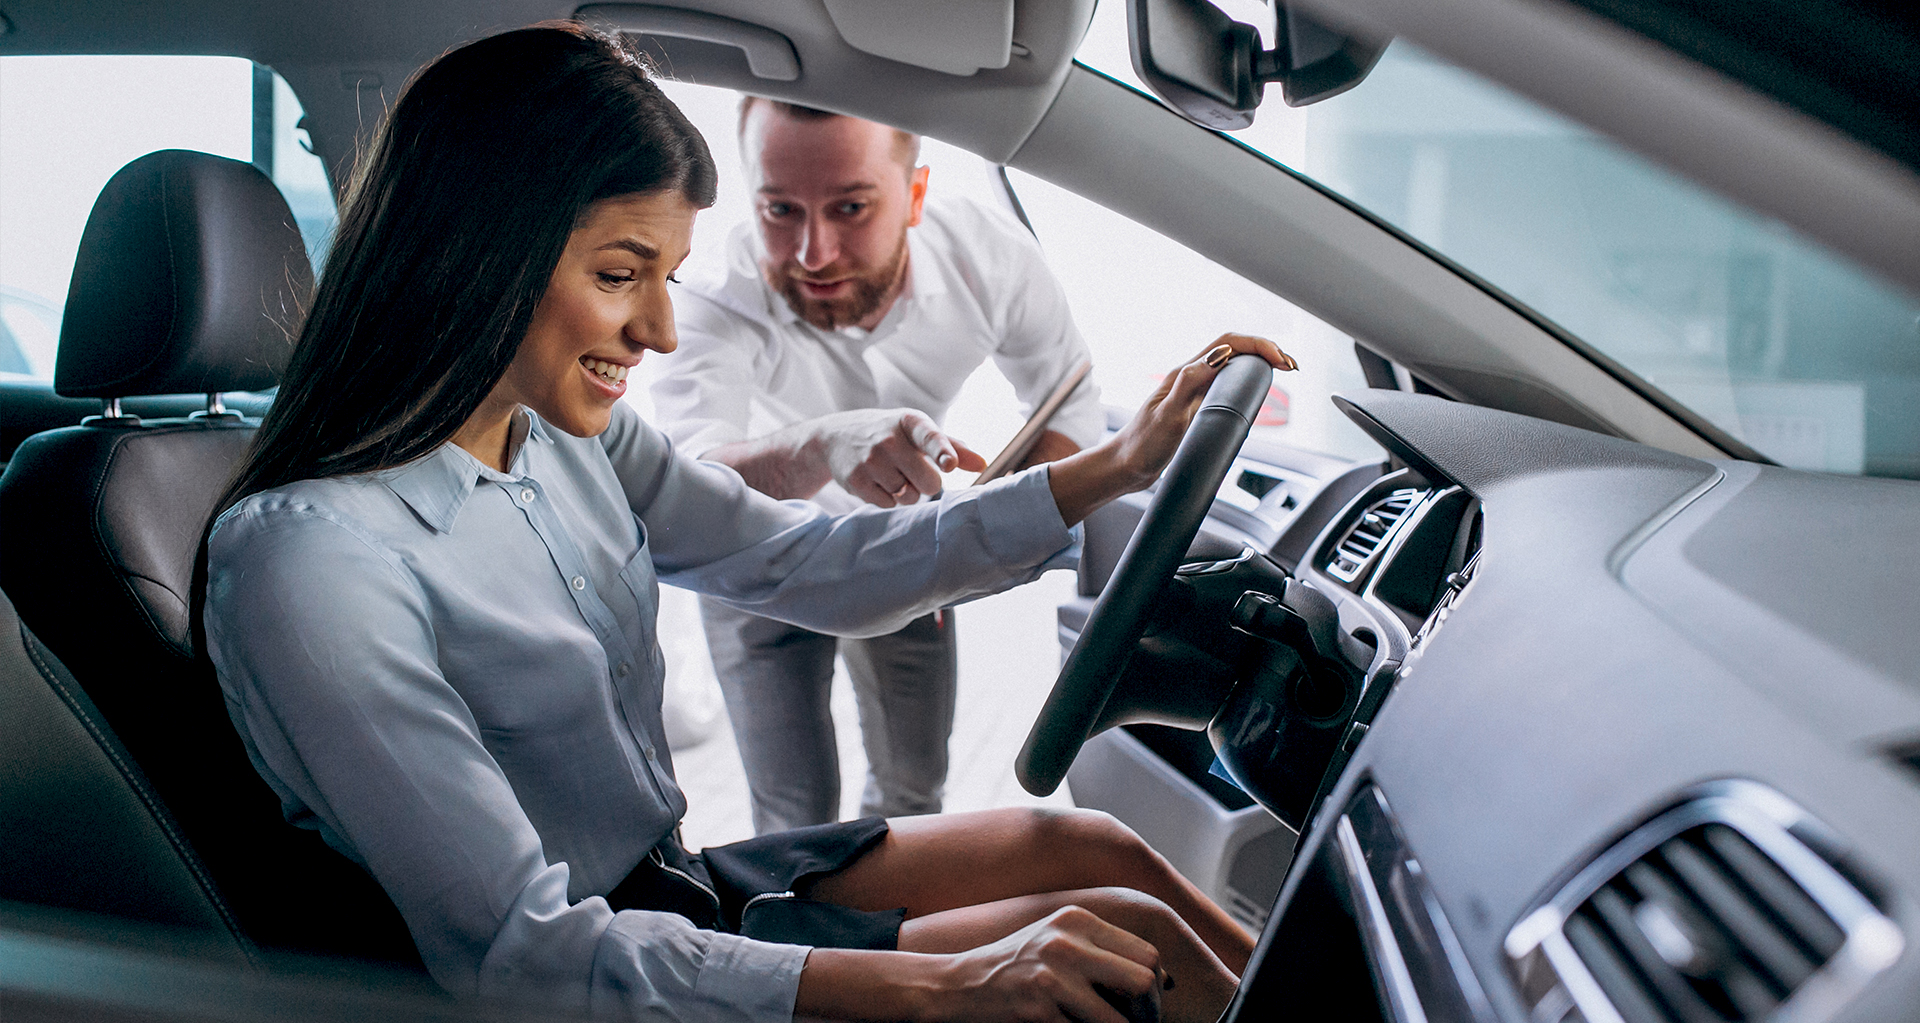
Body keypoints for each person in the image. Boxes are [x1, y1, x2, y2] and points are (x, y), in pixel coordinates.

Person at [200, 23, 1294, 1023]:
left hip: (675, 888)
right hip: (591, 969)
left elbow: (809, 560)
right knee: (1125, 945)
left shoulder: (567, 440)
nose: (662, 329)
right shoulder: (313, 563)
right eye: (621, 274)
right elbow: (524, 957)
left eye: (668, 277)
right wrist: (955, 983)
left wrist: (1117, 465)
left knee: (1095, 850)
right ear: (482, 250)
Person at [651, 99, 1105, 834]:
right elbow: (688, 487)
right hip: (753, 555)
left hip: (903, 549)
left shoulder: (988, 257)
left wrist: (973, 533)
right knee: (793, 813)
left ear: (914, 195)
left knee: (914, 793)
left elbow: (1068, 398)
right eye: (780, 210)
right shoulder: (711, 292)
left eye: (851, 208)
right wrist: (821, 446)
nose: (814, 254)